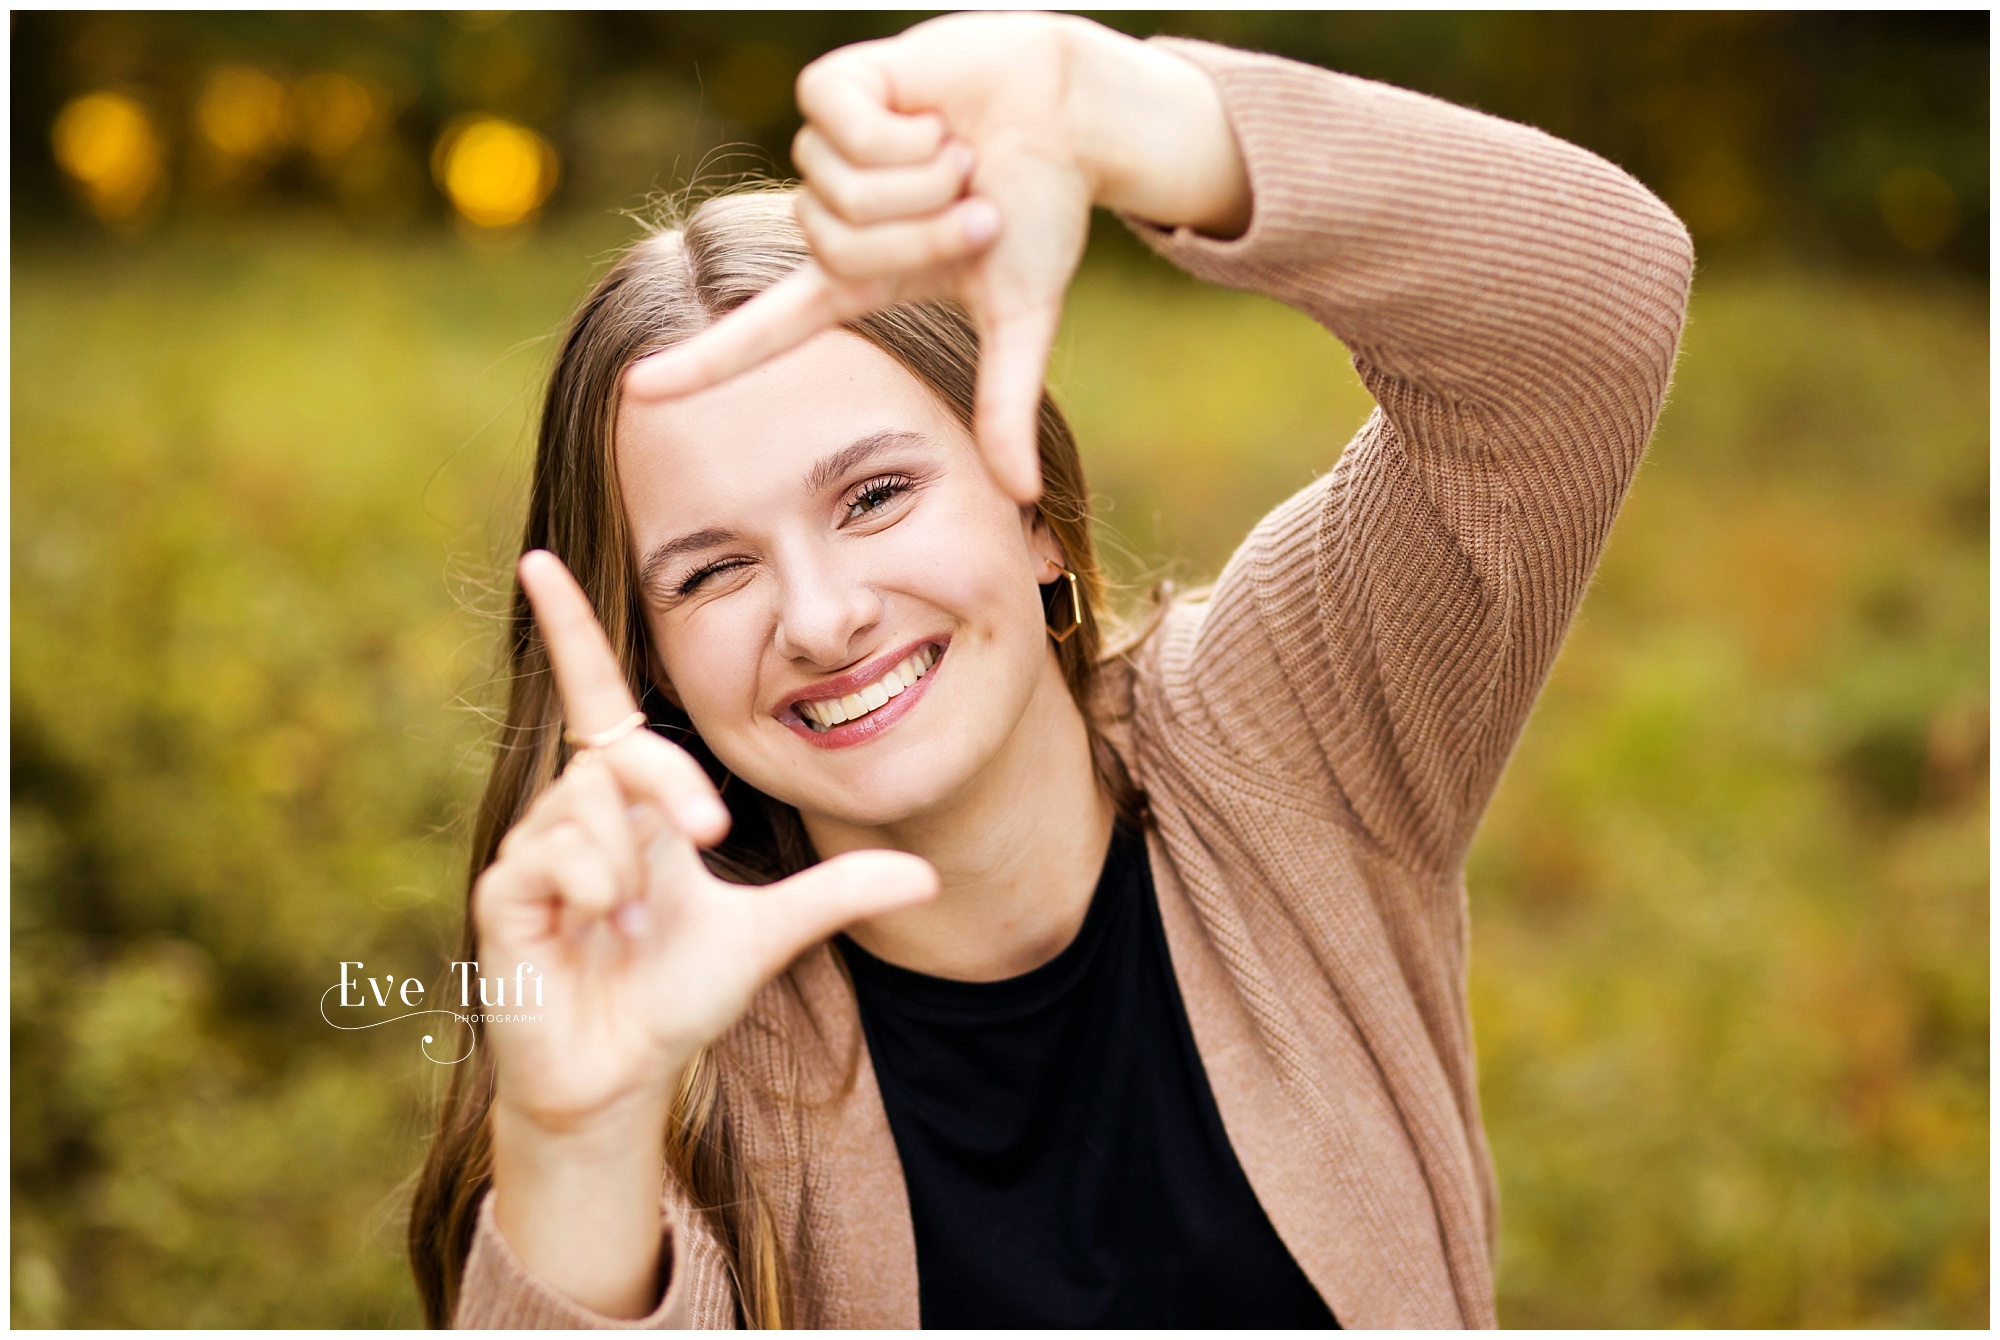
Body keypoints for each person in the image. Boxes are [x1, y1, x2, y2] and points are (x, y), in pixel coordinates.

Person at [409, 11, 1693, 1330]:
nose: (821, 615)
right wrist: (580, 1149)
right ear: (655, 666)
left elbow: (1597, 307)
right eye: (710, 572)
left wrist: (1131, 114)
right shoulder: (675, 1012)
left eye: (876, 494)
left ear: (1036, 514)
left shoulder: (1284, 730)